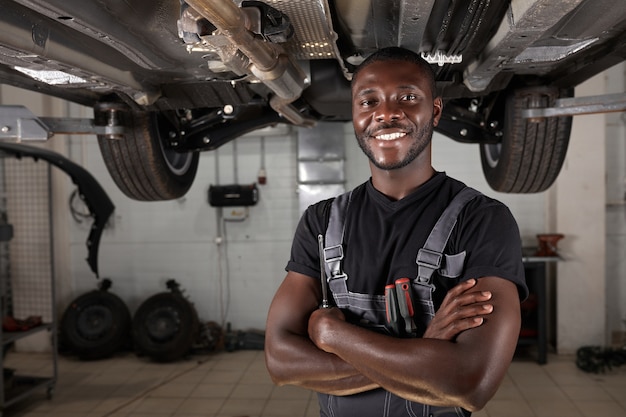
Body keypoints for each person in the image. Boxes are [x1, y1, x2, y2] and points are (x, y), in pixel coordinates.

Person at [265, 46, 528, 417]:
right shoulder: (321, 222)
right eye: (368, 101)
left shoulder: (482, 220)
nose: (386, 113)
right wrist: (423, 349)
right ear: (355, 115)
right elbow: (280, 362)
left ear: (434, 111)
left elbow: (471, 382)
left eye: (407, 97)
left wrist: (333, 336)